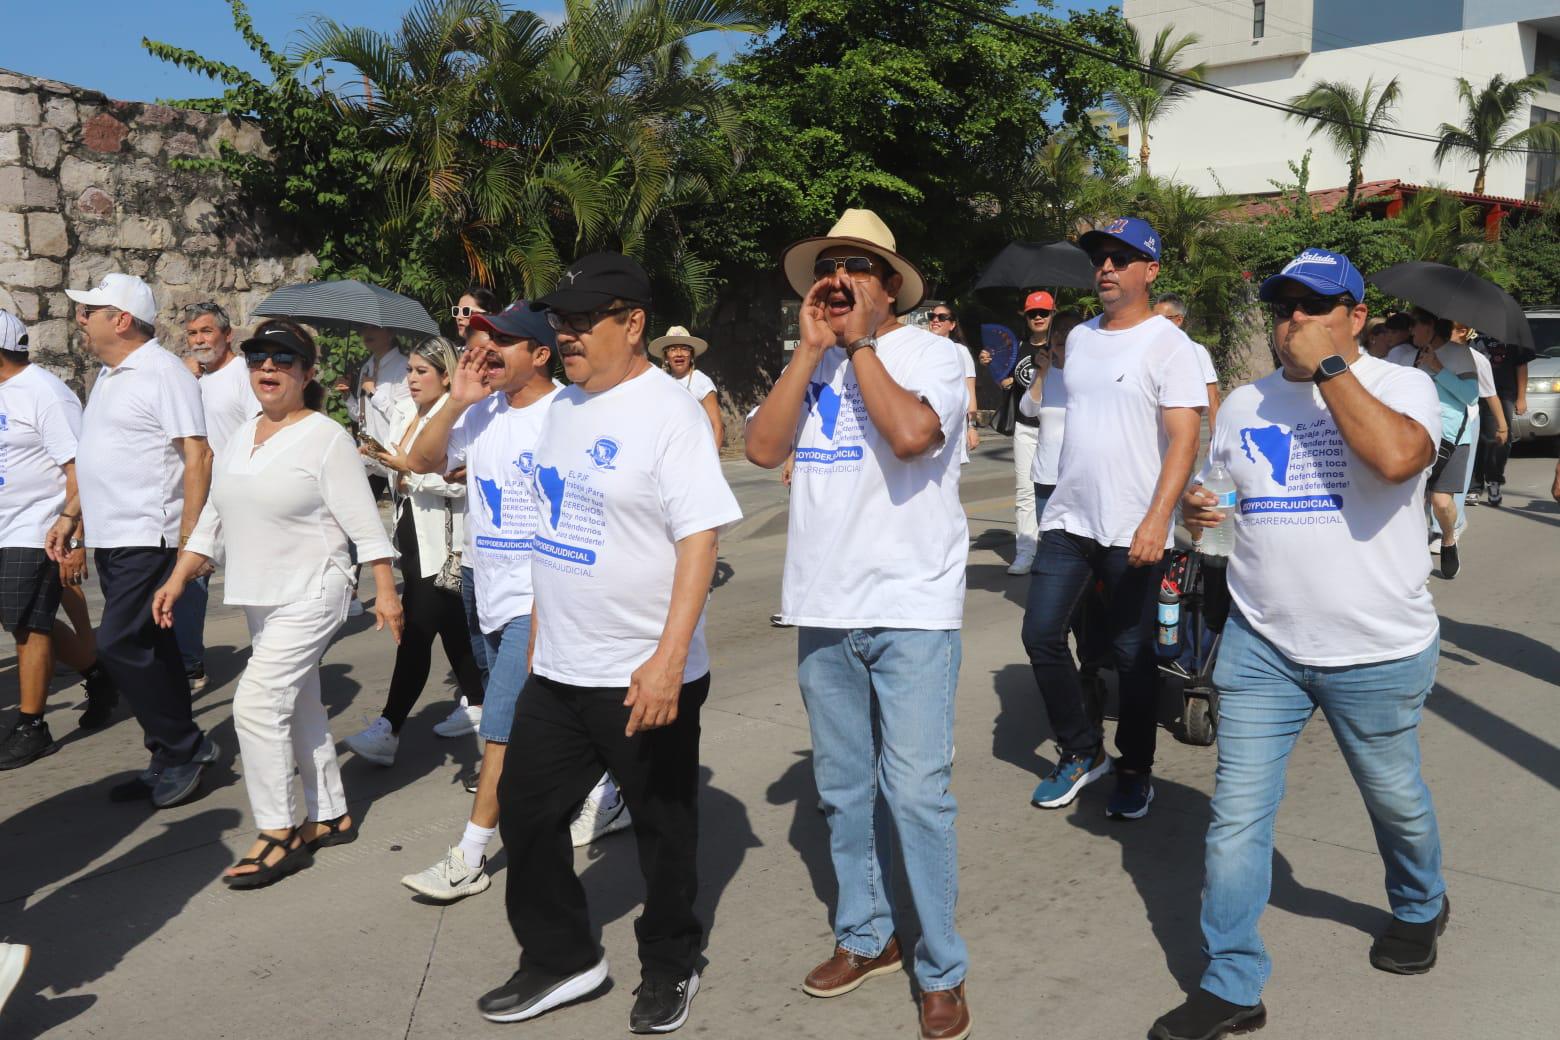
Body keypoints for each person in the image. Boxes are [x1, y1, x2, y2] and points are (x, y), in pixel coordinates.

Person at [1150, 249, 1446, 1040]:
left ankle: (1421, 903)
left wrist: (1332, 371)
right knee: (1237, 819)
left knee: (1394, 800)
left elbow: (1395, 459)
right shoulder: (1245, 404)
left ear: (1354, 315)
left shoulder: (1399, 384)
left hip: (1376, 648)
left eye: (1315, 307)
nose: (1294, 322)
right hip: (1262, 645)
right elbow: (1224, 505)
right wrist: (1196, 517)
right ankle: (1232, 982)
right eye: (1284, 307)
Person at [478, 253, 740, 1034]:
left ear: (633, 324)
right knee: (526, 813)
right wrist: (534, 622)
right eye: (558, 321)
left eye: (581, 320)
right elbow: (547, 527)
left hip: (642, 674)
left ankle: (669, 962)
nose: (565, 334)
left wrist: (667, 660)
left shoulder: (669, 412)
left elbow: (699, 538)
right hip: (558, 667)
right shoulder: (561, 408)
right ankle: (562, 958)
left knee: (663, 834)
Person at [746, 209, 973, 1040]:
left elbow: (914, 435)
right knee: (843, 793)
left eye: (855, 268)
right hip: (822, 605)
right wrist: (810, 352)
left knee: (916, 795)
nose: (836, 280)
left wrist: (861, 346)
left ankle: (941, 968)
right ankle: (866, 935)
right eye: (827, 268)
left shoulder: (933, 355)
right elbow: (765, 450)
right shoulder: (812, 359)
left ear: (889, 286)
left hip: (911, 605)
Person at [152, 319, 403, 888]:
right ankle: (331, 814)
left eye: (284, 359)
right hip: (262, 592)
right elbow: (213, 517)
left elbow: (365, 527)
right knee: (305, 706)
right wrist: (178, 576)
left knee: (258, 706)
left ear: (307, 374)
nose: (268, 367)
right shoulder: (242, 433)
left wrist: (386, 593)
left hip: (316, 587)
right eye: (258, 356)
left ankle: (279, 830)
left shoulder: (325, 438)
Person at [1021, 218, 1205, 820]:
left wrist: (1158, 519)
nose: (1105, 267)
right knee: (1041, 635)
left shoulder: (1170, 346)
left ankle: (1134, 769)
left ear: (1150, 271)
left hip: (1135, 526)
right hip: (1070, 518)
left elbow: (1184, 440)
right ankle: (1081, 750)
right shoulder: (1079, 340)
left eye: (1121, 258)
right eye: (1100, 257)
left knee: (1132, 654)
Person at [392, 303, 567, 900]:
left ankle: (469, 856)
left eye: (501, 346)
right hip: (481, 584)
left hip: (538, 593)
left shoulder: (566, 412)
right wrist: (460, 399)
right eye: (481, 344)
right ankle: (603, 790)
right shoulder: (482, 410)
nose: (484, 355)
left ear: (541, 355)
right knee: (534, 714)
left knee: (499, 726)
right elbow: (420, 462)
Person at [60, 274, 216, 808]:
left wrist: (191, 538)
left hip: (148, 534)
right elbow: (100, 455)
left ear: (121, 319)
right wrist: (71, 514)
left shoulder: (162, 372)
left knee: (119, 644)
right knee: (153, 646)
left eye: (91, 311)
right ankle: (169, 755)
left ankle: (185, 747)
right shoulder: (110, 375)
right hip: (114, 534)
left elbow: (198, 454)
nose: (81, 320)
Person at [342, 338, 485, 765]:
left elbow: (462, 480)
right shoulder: (405, 411)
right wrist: (374, 456)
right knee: (454, 630)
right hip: (410, 533)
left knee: (417, 631)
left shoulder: (456, 417)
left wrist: (411, 472)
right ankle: (478, 703)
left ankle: (389, 727)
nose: (412, 379)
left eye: (422, 371)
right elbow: (397, 464)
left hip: (444, 540)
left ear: (446, 376)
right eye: (409, 371)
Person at [0, 312, 114, 769]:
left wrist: (77, 536)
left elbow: (78, 468)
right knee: (24, 617)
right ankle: (97, 672)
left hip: (38, 528)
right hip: (4, 526)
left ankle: (33, 725)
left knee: (29, 625)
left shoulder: (44, 393)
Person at [172, 301, 261, 694]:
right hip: (202, 494)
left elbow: (261, 428)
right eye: (192, 334)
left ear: (228, 335)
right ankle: (190, 666)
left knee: (255, 578)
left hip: (243, 492)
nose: (199, 340)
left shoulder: (244, 374)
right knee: (193, 576)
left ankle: (272, 650)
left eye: (206, 332)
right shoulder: (191, 379)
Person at [1403, 309, 1501, 576]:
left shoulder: (1461, 355)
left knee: (1441, 502)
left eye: (1416, 325)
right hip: (1415, 436)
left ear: (1431, 327)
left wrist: (1439, 369)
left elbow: (1470, 396)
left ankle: (1448, 538)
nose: (1411, 331)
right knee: (1409, 502)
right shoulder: (1409, 354)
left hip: (1452, 438)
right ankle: (1413, 562)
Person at [980, 291, 1053, 574]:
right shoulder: (1017, 348)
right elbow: (1005, 383)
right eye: (1033, 313)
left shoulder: (1061, 348)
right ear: (1025, 316)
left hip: (1055, 430)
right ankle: (1025, 551)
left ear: (1052, 314)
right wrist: (992, 367)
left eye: (1043, 313)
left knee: (1054, 492)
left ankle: (1052, 549)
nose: (1038, 317)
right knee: (1025, 491)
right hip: (1024, 427)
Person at [1470, 332, 1531, 507]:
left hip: (1503, 394)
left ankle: (1494, 481)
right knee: (1476, 439)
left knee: (1497, 439)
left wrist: (1521, 397)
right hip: (1474, 392)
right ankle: (1474, 486)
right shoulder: (1472, 335)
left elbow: (1521, 365)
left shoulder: (1513, 337)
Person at [1153, 292, 1222, 430]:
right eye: (1153, 320)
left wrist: (1215, 439)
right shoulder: (1145, 352)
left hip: (1184, 437)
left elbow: (1212, 397)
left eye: (1162, 320)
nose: (1156, 325)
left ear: (1179, 320)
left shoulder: (1197, 351)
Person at [650, 326, 724, 448]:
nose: (679, 354)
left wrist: (710, 463)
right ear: (666, 356)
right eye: (673, 349)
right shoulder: (662, 382)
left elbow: (717, 427)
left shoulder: (701, 381)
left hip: (696, 454)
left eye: (685, 349)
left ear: (691, 355)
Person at [926, 304, 980, 461]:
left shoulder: (960, 351)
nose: (935, 320)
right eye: (932, 317)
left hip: (952, 423)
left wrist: (972, 427)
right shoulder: (922, 348)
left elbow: (970, 390)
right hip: (926, 420)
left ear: (952, 325)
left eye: (942, 317)